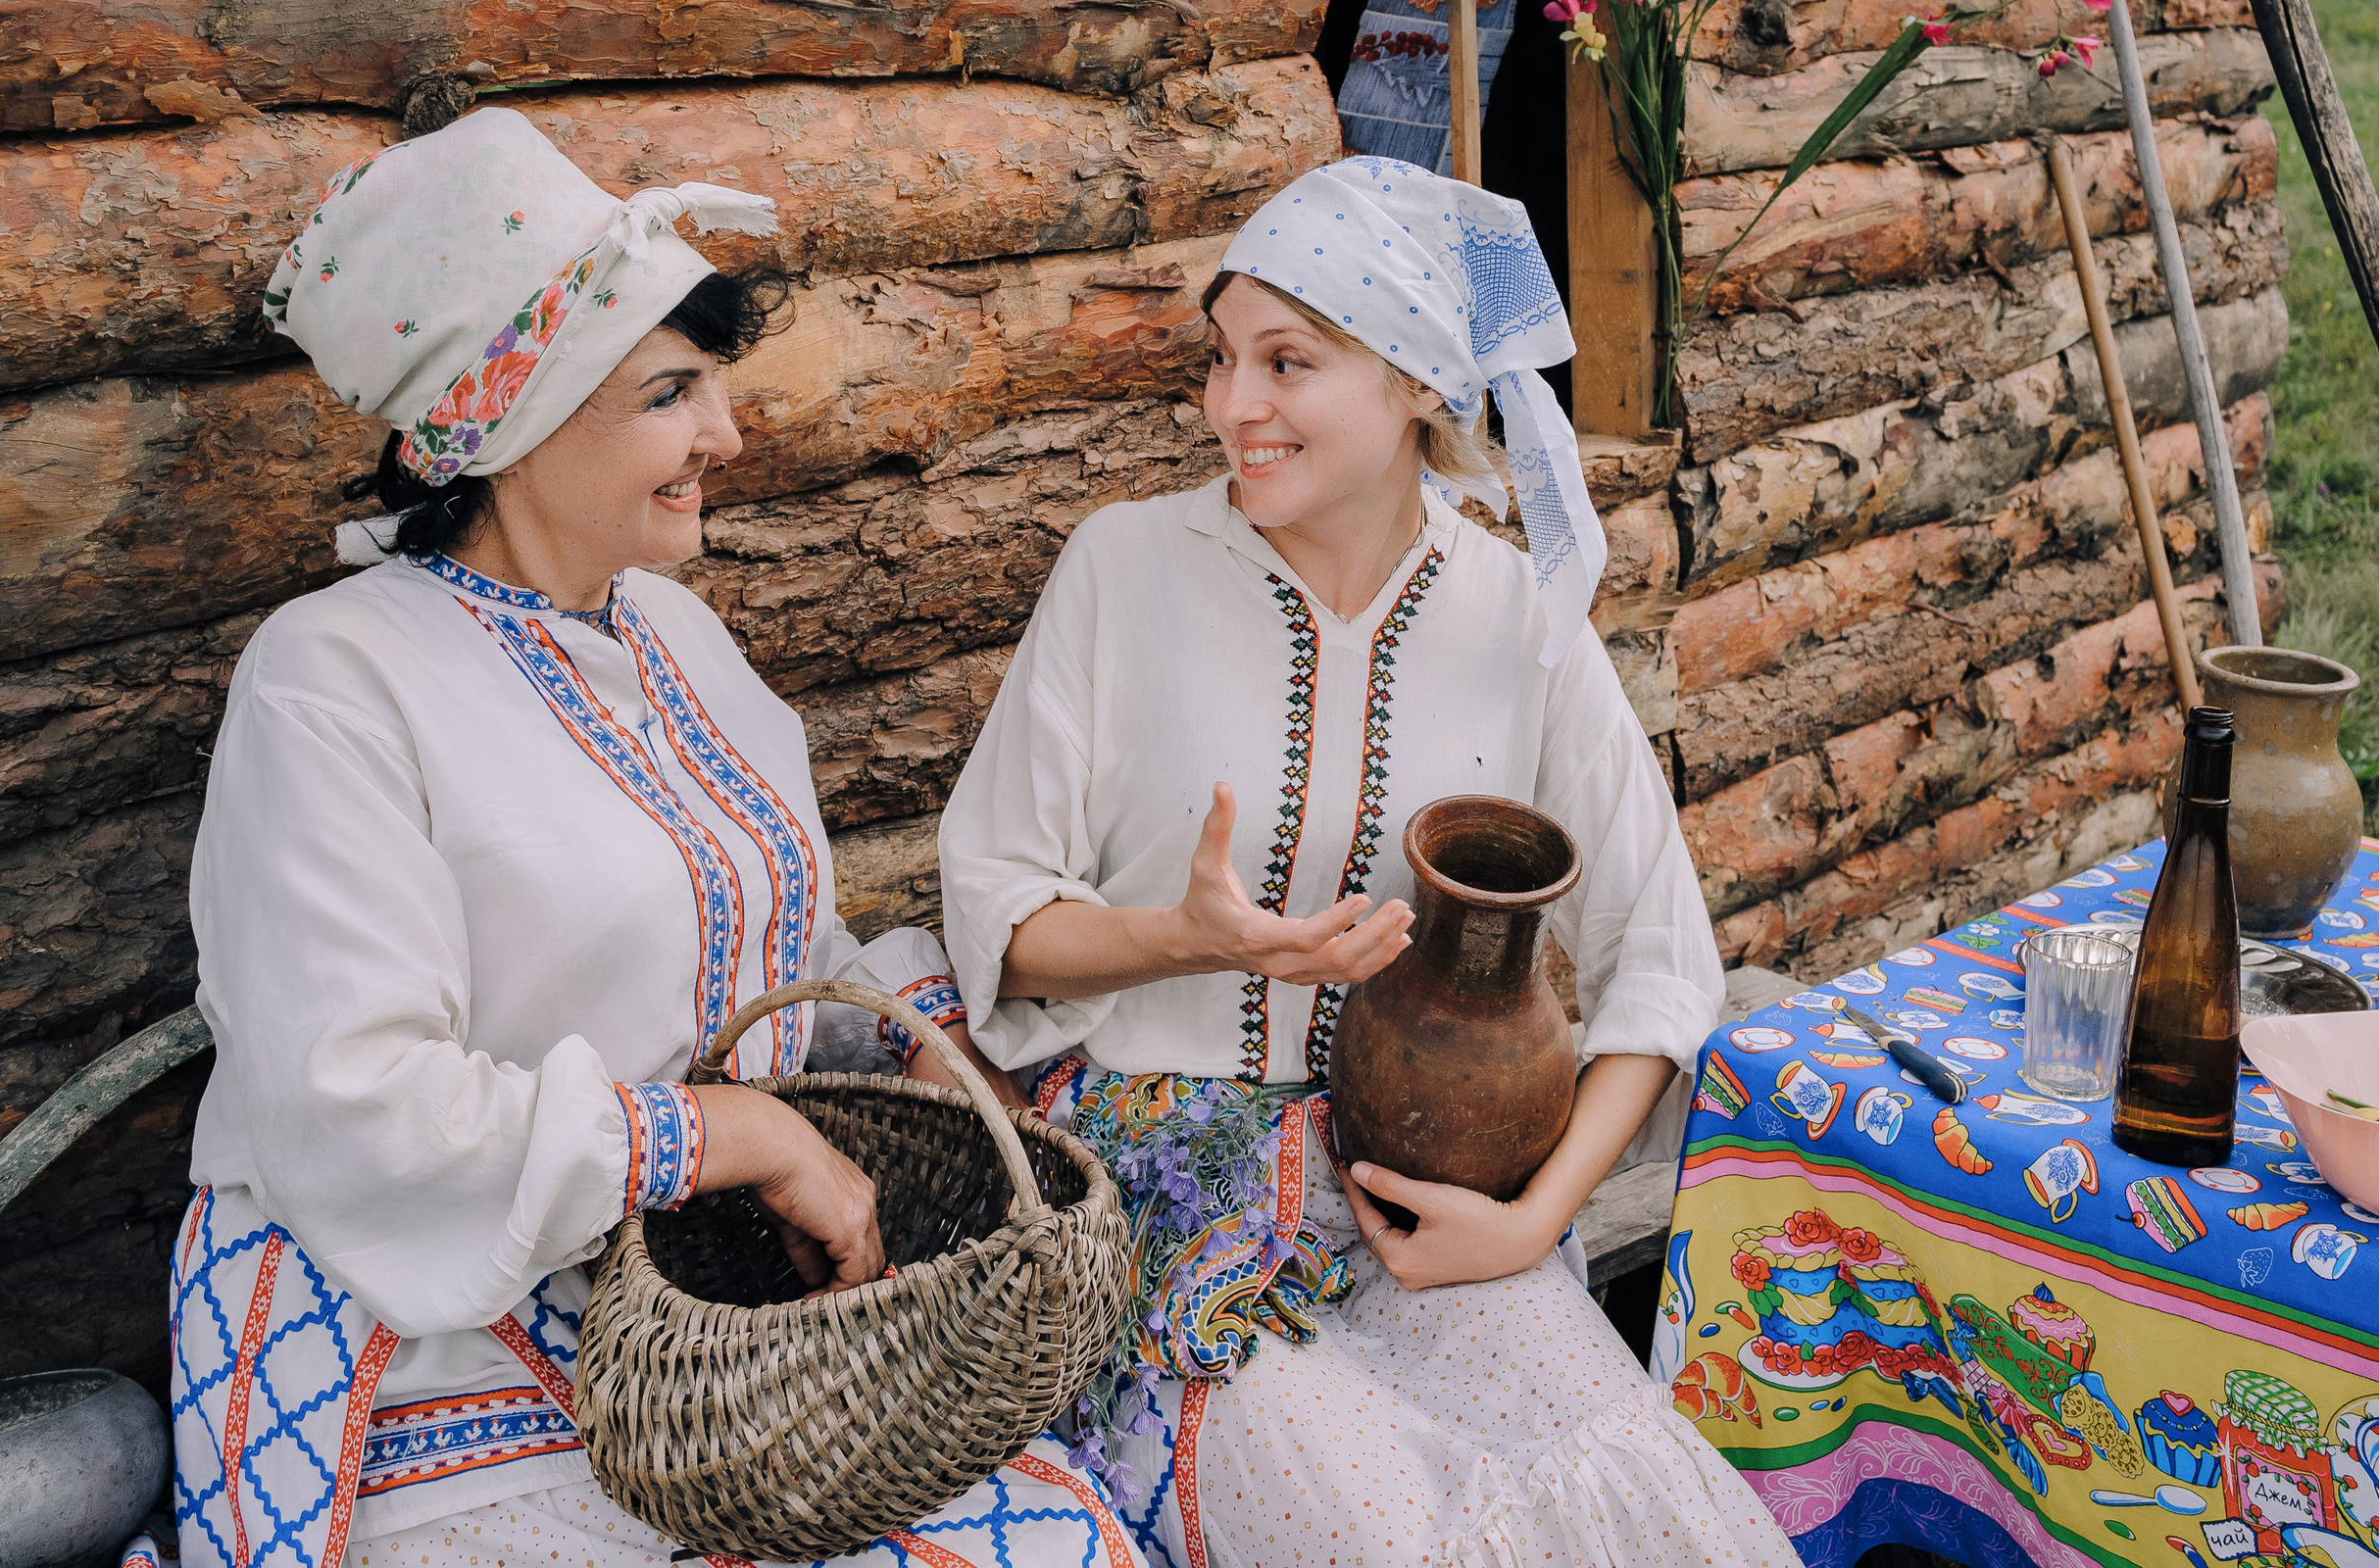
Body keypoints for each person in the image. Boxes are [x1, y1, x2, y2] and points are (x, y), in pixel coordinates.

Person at [168, 108, 1135, 1568]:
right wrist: (735, 1135)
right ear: (510, 418)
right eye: (671, 393)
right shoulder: (333, 678)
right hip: (427, 1328)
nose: (725, 436)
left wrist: (918, 1037)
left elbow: (779, 958)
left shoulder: (675, 636)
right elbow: (346, 1101)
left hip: (709, 1305)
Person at [935, 158, 1799, 1567]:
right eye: (1223, 359)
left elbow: (1661, 956)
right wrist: (1193, 937)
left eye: (1289, 361)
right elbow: (998, 910)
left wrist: (1534, 1219)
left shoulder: (1519, 618)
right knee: (1396, 1538)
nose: (1233, 408)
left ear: (1415, 387)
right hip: (1166, 1199)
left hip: (1430, 1191)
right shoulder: (1121, 568)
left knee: (1655, 1505)